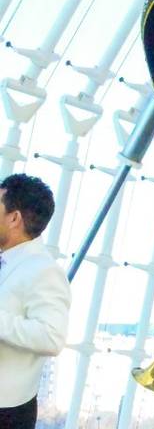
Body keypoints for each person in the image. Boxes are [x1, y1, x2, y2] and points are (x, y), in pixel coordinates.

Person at [0, 173, 70, 429]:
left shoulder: (43, 269)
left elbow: (52, 337)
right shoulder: (6, 261)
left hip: (7, 412)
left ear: (14, 218)